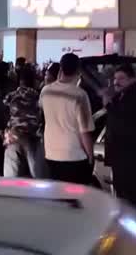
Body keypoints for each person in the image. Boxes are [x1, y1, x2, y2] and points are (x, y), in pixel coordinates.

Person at [39, 53, 95, 184]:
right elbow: (85, 131)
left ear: (61, 69)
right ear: (78, 71)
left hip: (51, 154)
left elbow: (43, 113)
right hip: (74, 156)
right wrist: (90, 155)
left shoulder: (45, 91)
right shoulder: (80, 95)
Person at [103, 64, 136, 210]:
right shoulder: (124, 95)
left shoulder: (134, 98)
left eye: (121, 78)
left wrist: (109, 106)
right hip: (123, 159)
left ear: (132, 79)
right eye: (115, 78)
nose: (116, 82)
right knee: (124, 200)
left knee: (131, 202)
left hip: (130, 161)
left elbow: (124, 125)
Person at [2, 68, 42, 177]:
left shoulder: (10, 96)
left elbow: (2, 115)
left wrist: (6, 133)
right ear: (34, 81)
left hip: (13, 139)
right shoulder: (38, 97)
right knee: (37, 180)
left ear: (20, 81)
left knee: (11, 181)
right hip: (32, 140)